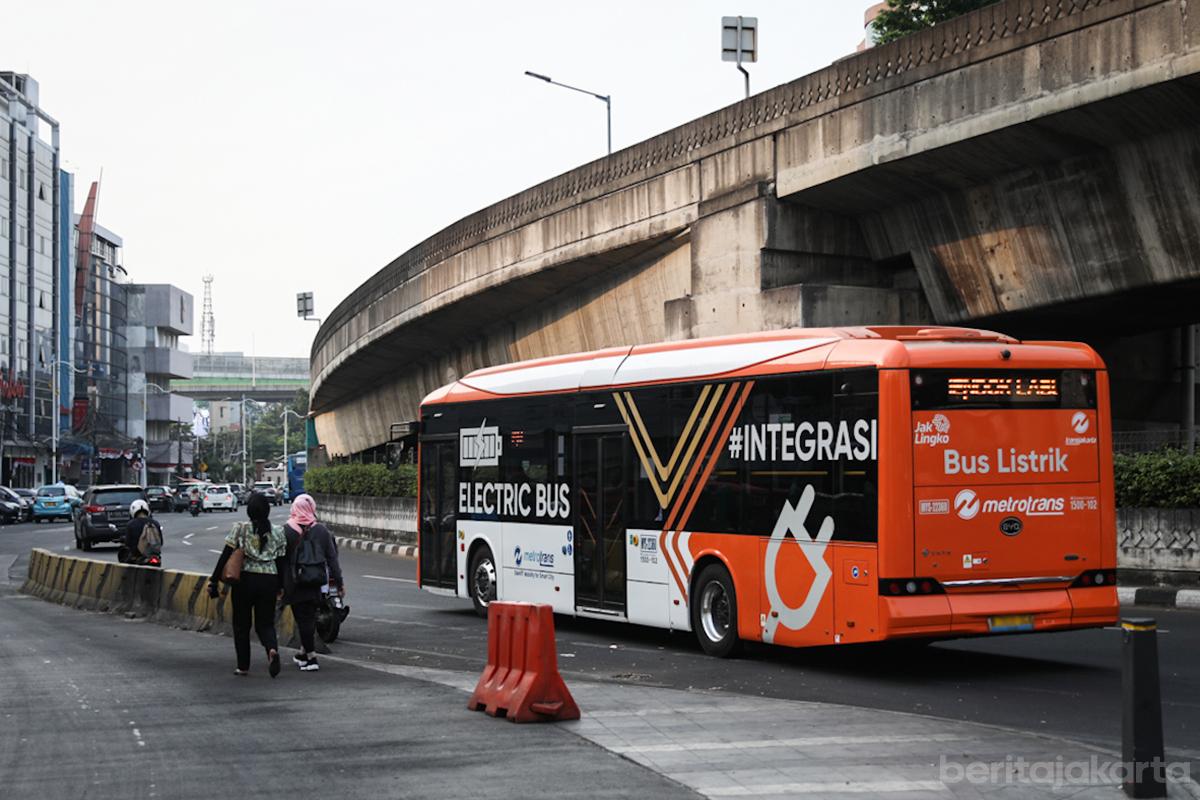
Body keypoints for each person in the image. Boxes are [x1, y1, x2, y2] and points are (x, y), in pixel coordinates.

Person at [207, 494, 287, 677]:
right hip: (269, 580)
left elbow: (225, 555)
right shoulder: (278, 531)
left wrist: (213, 580)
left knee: (242, 625)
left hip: (245, 581)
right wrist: (280, 586)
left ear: (249, 510)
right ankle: (272, 650)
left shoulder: (240, 529)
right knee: (265, 624)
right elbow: (282, 562)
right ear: (268, 510)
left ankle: (243, 666)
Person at [282, 493, 343, 672]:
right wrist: (339, 584)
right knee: (307, 618)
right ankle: (303, 653)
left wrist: (279, 585)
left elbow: (280, 561)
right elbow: (333, 560)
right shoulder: (322, 531)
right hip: (316, 582)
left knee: (304, 620)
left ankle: (311, 658)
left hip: (295, 583)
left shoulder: (287, 530)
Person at [120, 499, 161, 564]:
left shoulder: (131, 524)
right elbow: (161, 541)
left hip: (138, 557)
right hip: (155, 556)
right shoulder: (155, 523)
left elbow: (128, 543)